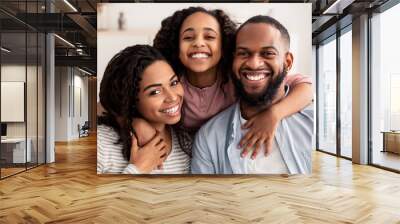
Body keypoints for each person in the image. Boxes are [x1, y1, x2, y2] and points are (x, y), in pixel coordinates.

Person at [133, 7, 313, 159]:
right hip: (185, 152)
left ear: (224, 45)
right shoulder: (172, 82)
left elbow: (306, 88)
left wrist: (274, 114)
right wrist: (135, 122)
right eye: (188, 38)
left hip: (227, 147)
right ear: (176, 46)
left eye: (209, 37)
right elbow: (126, 98)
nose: (198, 43)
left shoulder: (238, 77)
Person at [191, 15, 314, 174]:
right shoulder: (209, 136)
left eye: (268, 53)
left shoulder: (312, 121)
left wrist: (274, 114)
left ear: (288, 62)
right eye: (243, 53)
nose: (254, 64)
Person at [97, 45, 190, 174]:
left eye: (174, 83)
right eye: (155, 92)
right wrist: (139, 168)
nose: (173, 97)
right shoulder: (101, 143)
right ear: (130, 100)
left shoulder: (184, 142)